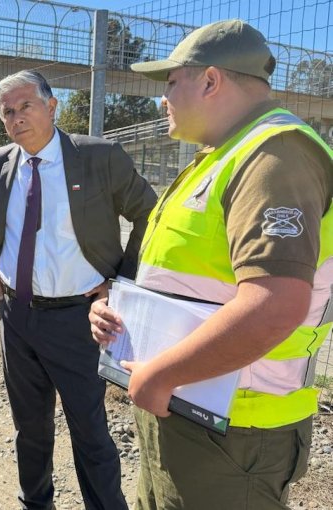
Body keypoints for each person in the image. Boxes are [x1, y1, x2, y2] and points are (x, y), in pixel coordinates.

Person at [89, 19, 333, 509]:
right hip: (190, 410)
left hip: (235, 431)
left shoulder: (274, 155)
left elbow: (275, 304)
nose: (163, 97)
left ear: (210, 80)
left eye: (171, 81)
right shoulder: (221, 156)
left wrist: (160, 376)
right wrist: (120, 316)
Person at [0, 70, 157, 509]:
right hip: (17, 315)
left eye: (26, 105)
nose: (16, 117)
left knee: (90, 430)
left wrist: (120, 281)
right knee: (29, 427)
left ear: (52, 106)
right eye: (7, 111)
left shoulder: (99, 157)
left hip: (79, 319)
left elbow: (150, 214)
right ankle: (36, 502)